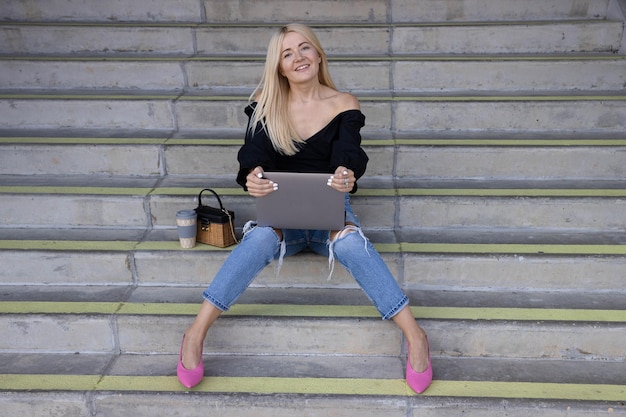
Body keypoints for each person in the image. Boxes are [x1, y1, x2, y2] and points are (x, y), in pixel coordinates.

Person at [177, 23, 432, 394]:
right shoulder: (266, 101)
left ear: (318, 54)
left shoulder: (344, 102)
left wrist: (346, 174)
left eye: (304, 48)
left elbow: (350, 152)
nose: (298, 58)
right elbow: (254, 154)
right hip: (283, 219)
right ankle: (194, 334)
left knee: (347, 243)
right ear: (279, 66)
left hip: (331, 211)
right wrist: (254, 175)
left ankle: (416, 335)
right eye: (287, 53)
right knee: (261, 238)